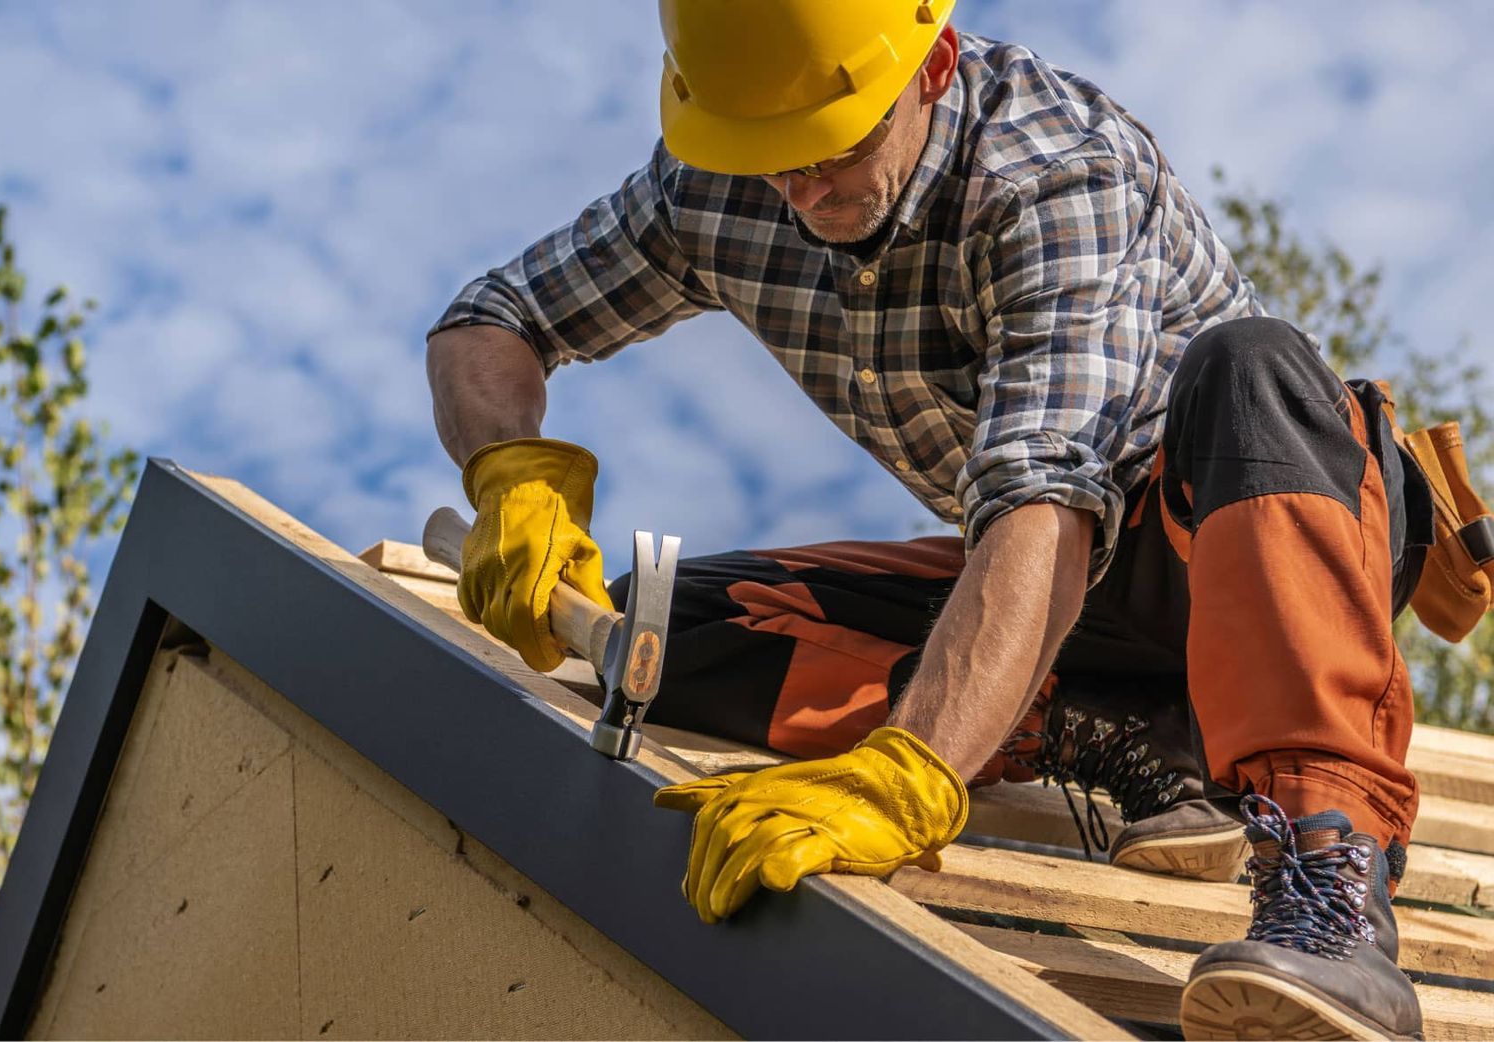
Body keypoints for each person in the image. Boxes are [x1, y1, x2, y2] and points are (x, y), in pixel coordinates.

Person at [424, 2, 1428, 1037]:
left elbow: (1048, 494)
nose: (803, 189)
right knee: (661, 629)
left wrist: (914, 776)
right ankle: (1134, 732)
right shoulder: (717, 186)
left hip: (1249, 536)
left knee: (1254, 361)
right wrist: (512, 476)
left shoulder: (1051, 172)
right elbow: (490, 320)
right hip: (1066, 587)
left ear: (935, 63)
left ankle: (1330, 894)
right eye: (771, 158)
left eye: (837, 145)